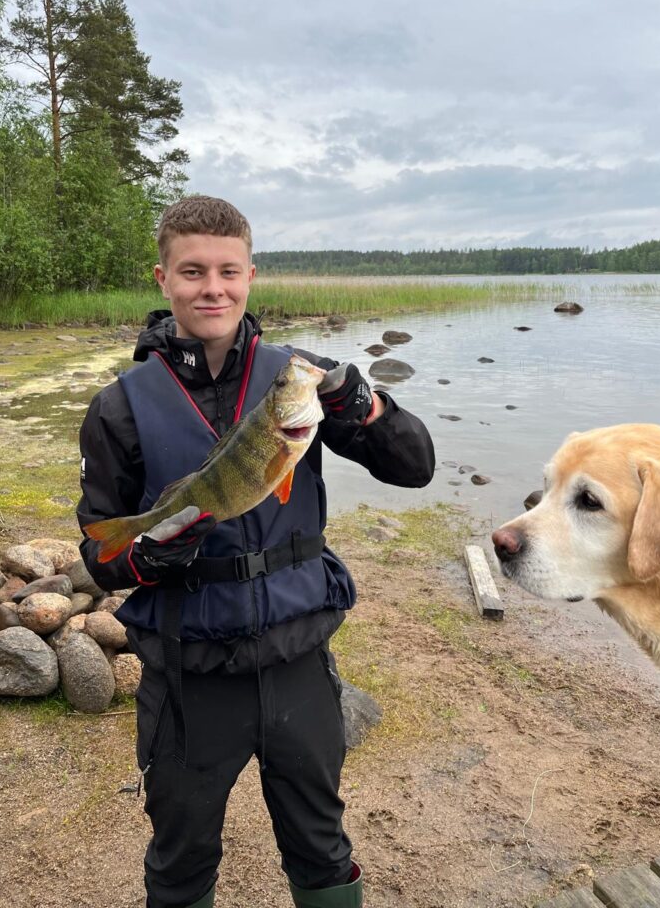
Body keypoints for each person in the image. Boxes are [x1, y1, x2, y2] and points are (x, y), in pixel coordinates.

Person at [77, 196, 435, 908]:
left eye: (228, 271)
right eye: (192, 271)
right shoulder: (119, 407)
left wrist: (368, 409)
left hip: (297, 660)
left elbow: (415, 468)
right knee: (180, 860)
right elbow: (100, 549)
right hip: (188, 673)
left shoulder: (301, 380)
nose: (212, 288)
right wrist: (147, 559)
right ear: (163, 278)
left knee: (322, 848)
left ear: (250, 275)